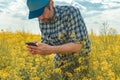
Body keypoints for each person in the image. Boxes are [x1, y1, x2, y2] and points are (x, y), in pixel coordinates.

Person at [26, 0, 91, 79]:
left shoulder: (71, 13)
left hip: (81, 63)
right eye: (37, 15)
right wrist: (39, 48)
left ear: (51, 3)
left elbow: (78, 45)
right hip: (60, 64)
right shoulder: (43, 20)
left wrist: (51, 49)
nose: (40, 18)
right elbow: (47, 45)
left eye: (41, 12)